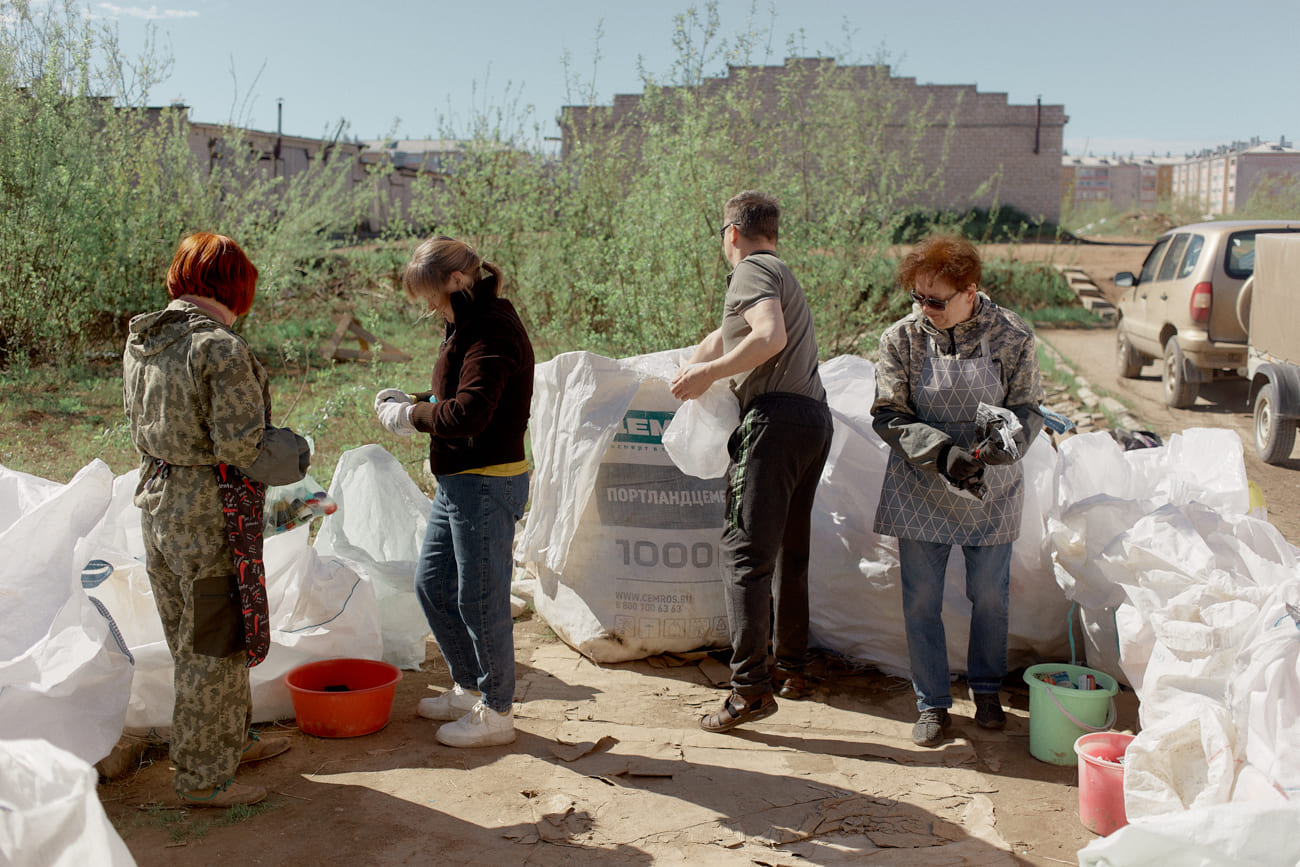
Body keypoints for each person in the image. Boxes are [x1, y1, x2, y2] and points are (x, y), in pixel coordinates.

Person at [123, 232, 309, 806]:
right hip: (209, 515)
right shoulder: (219, 349)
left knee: (191, 637)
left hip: (157, 503)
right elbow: (240, 444)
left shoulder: (145, 340)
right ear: (238, 288)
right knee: (216, 643)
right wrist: (296, 452)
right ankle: (204, 778)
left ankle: (227, 739)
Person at [871, 234, 1045, 747]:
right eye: (918, 298)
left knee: (989, 596)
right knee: (921, 600)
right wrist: (941, 453)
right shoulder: (900, 339)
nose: (925, 309)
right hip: (919, 485)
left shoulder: (1012, 335)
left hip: (990, 489)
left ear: (971, 290)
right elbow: (888, 414)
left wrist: (1004, 445)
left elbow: (1030, 408)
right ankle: (932, 704)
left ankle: (987, 690)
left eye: (936, 300)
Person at [671, 190, 834, 733]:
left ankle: (749, 691)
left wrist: (707, 376)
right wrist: (695, 363)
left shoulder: (750, 270)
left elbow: (767, 337)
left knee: (744, 555)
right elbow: (727, 335)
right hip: (813, 420)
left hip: (775, 424)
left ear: (732, 233)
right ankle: (791, 667)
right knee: (790, 551)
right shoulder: (780, 271)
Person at [374, 236, 534, 749]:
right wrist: (417, 399)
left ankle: (498, 710)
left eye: (433, 297)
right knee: (433, 586)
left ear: (458, 281)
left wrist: (409, 417)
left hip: (486, 480)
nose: (430, 308)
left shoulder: (491, 328)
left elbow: (468, 412)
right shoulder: (466, 321)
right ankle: (469, 687)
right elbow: (456, 391)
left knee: (481, 598)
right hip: (460, 479)